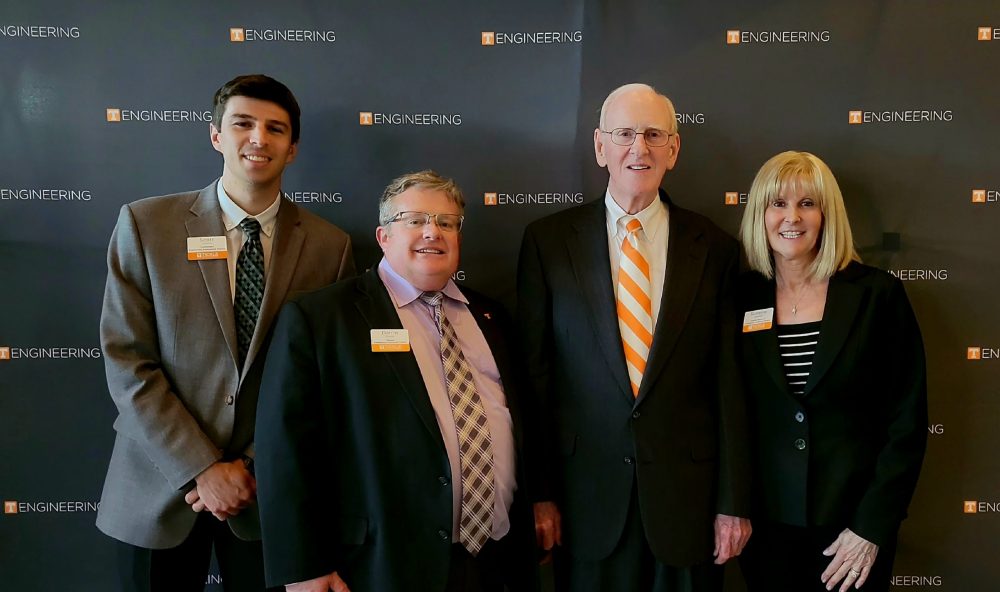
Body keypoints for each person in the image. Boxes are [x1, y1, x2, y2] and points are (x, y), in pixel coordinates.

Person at [96, 74, 355, 592]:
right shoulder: (147, 225)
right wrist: (203, 468)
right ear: (216, 136)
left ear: (293, 148)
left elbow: (325, 380)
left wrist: (252, 465)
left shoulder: (332, 247)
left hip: (267, 497)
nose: (259, 138)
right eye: (243, 123)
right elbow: (127, 361)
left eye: (275, 129)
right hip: (157, 489)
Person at [516, 83, 751, 592]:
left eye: (652, 134)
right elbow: (535, 380)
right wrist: (540, 494)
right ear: (600, 147)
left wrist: (733, 504)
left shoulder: (715, 248)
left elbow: (729, 383)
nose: (638, 148)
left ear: (674, 148)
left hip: (689, 506)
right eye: (624, 134)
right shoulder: (548, 243)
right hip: (585, 505)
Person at [254, 170, 536, 592]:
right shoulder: (322, 319)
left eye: (446, 222)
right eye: (415, 219)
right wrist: (303, 566)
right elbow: (286, 451)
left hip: (496, 561)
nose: (432, 232)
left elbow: (521, 421)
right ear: (383, 236)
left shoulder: (490, 316)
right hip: (380, 565)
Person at [736, 150, 927, 592]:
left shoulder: (877, 296)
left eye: (808, 204)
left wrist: (871, 528)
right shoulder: (739, 298)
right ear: (760, 214)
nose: (792, 218)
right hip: (766, 533)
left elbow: (907, 423)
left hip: (852, 534)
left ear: (827, 214)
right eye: (778, 203)